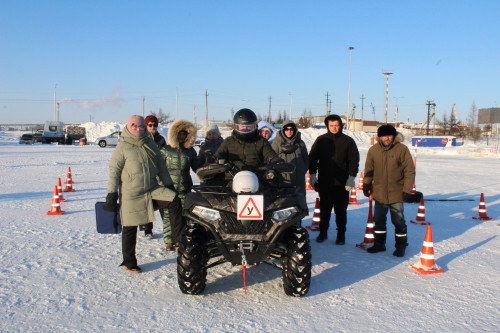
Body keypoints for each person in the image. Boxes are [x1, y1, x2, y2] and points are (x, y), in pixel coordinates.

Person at [104, 115, 183, 273]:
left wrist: (169, 184)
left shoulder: (150, 144)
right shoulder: (123, 147)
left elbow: (161, 166)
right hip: (131, 194)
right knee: (130, 227)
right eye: (134, 126)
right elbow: (114, 171)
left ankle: (179, 242)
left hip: (152, 189)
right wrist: (112, 194)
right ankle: (129, 262)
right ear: (128, 126)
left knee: (174, 199)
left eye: (141, 126)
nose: (138, 129)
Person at [362, 124, 415, 257]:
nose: (387, 138)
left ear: (394, 136)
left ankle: (401, 246)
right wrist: (366, 185)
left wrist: (407, 189)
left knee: (398, 221)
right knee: (379, 220)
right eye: (384, 135)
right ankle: (379, 244)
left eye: (390, 135)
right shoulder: (373, 151)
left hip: (397, 192)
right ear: (379, 137)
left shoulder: (401, 149)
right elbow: (369, 169)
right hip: (379, 193)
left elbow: (409, 171)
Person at [308, 114, 360, 245]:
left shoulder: (348, 141)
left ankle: (341, 234)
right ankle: (323, 232)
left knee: (340, 211)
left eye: (337, 125)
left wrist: (351, 177)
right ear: (327, 126)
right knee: (324, 210)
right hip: (325, 183)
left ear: (341, 125)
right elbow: (313, 158)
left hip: (342, 184)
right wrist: (313, 175)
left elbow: (354, 160)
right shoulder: (321, 140)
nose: (334, 128)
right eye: (331, 126)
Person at [160, 119, 201, 251]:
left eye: (184, 134)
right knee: (168, 214)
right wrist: (160, 184)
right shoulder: (166, 150)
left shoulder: (190, 151)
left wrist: (207, 171)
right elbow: (159, 168)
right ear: (174, 134)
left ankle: (180, 239)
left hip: (184, 186)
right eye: (179, 134)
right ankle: (168, 240)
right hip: (168, 186)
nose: (182, 137)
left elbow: (197, 167)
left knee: (183, 214)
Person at [216, 108, 282, 172]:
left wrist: (278, 162)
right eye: (242, 127)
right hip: (232, 176)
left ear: (255, 127)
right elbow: (218, 156)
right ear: (236, 127)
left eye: (249, 127)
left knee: (275, 182)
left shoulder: (261, 142)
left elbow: (271, 155)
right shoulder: (228, 142)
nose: (245, 129)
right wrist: (212, 163)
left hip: (256, 177)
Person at [140, 114, 167, 239]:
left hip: (158, 174)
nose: (152, 127)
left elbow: (164, 155)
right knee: (146, 203)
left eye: (155, 125)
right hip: (144, 174)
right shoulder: (141, 138)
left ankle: (167, 231)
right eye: (150, 125)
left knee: (162, 202)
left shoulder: (160, 139)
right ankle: (147, 230)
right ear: (146, 125)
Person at [271, 120, 309, 207]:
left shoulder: (300, 143)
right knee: (283, 204)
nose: (289, 131)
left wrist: (302, 169)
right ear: (283, 130)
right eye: (287, 129)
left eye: (291, 129)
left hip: (298, 179)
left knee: (299, 203)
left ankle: (298, 220)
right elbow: (271, 159)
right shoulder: (277, 143)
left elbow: (306, 159)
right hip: (283, 180)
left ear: (295, 130)